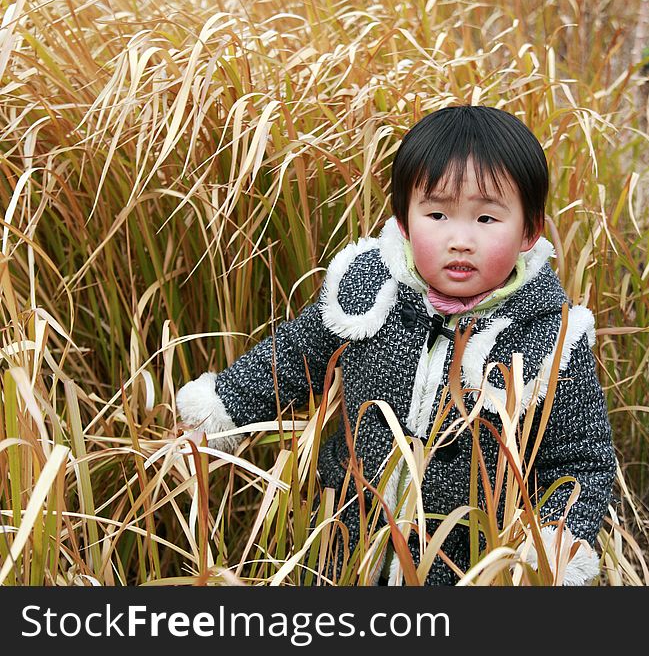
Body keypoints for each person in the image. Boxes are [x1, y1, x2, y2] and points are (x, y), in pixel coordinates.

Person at [176, 105, 616, 585]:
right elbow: (294, 356)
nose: (460, 239)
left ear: (530, 231)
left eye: (487, 218)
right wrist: (220, 410)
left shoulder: (548, 336)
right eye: (437, 214)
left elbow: (582, 460)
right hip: (345, 544)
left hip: (466, 565)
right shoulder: (372, 286)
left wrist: (553, 542)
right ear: (404, 222)